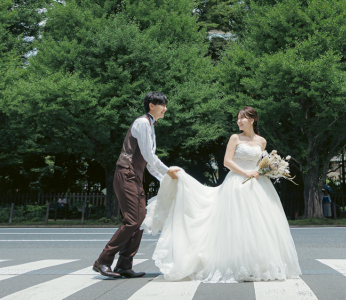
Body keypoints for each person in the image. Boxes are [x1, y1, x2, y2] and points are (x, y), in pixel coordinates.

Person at [142, 106, 301, 283]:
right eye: (238, 118)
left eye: (242, 118)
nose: (239, 121)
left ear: (252, 120)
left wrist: (263, 170)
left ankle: (256, 264)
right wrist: (246, 172)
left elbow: (259, 163)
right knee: (236, 224)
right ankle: (236, 263)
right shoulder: (235, 138)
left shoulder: (261, 141)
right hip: (236, 183)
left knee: (258, 225)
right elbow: (227, 162)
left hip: (258, 185)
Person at [93, 92, 181, 279]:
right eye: (162, 105)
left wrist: (164, 178)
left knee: (139, 222)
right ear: (151, 105)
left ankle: (124, 265)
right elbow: (150, 156)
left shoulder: (149, 125)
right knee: (132, 220)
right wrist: (168, 171)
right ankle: (103, 261)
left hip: (135, 176)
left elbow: (148, 162)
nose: (165, 109)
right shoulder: (142, 123)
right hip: (126, 174)